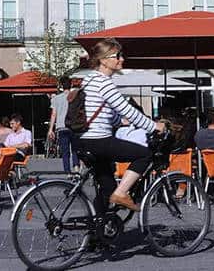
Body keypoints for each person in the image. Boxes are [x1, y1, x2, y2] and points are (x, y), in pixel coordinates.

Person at [76, 38, 162, 212]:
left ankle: (97, 233)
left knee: (106, 189)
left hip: (83, 139)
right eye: (117, 56)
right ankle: (122, 192)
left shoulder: (89, 80)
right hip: (99, 140)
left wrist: (119, 122)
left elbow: (99, 110)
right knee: (144, 155)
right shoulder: (104, 82)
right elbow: (127, 110)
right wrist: (153, 126)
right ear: (103, 60)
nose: (121, 59)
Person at [48, 78, 79, 172]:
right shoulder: (75, 97)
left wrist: (50, 129)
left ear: (61, 86)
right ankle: (76, 166)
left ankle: (67, 172)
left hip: (61, 126)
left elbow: (54, 114)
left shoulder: (56, 98)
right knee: (75, 148)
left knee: (65, 151)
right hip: (74, 126)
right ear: (71, 85)